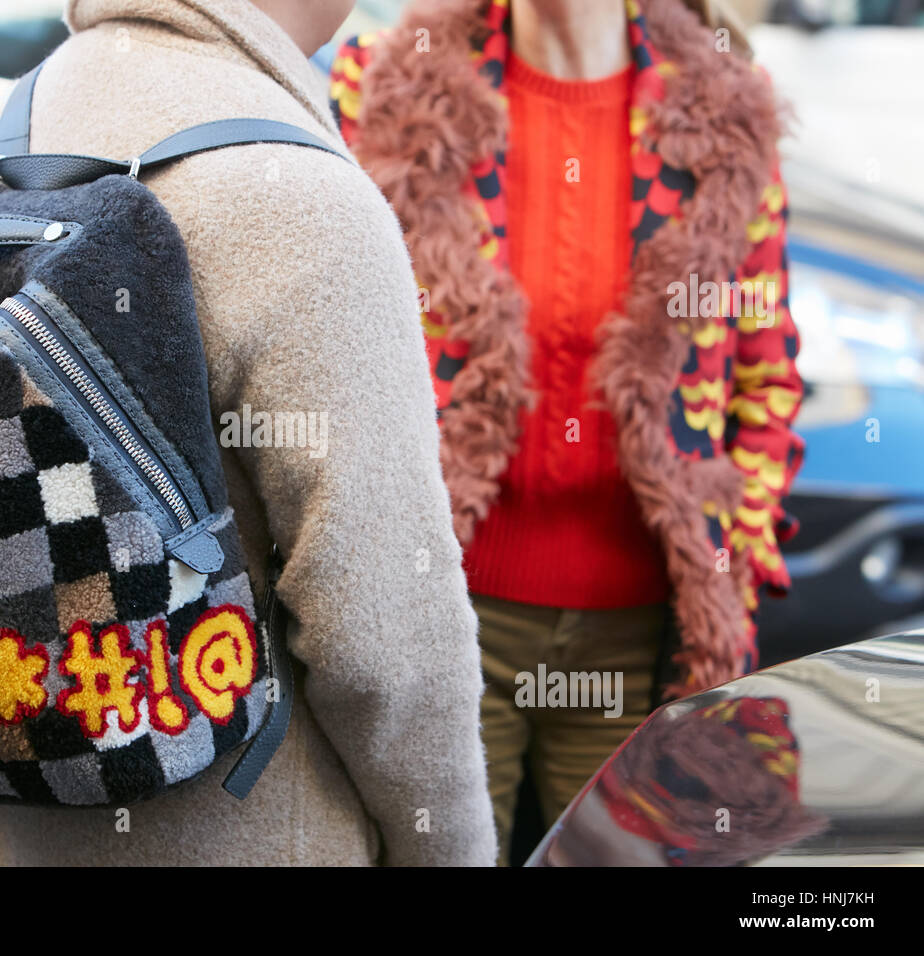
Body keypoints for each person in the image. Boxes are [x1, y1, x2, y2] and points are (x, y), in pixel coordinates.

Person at [0, 0, 497, 866]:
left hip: (15, 826)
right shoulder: (303, 197)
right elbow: (386, 635)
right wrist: (451, 849)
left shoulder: (17, 115)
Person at [330, 0, 804, 863]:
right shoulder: (393, 83)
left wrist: (731, 558)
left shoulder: (724, 105)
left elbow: (765, 371)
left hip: (640, 634)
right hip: (447, 615)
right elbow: (332, 334)